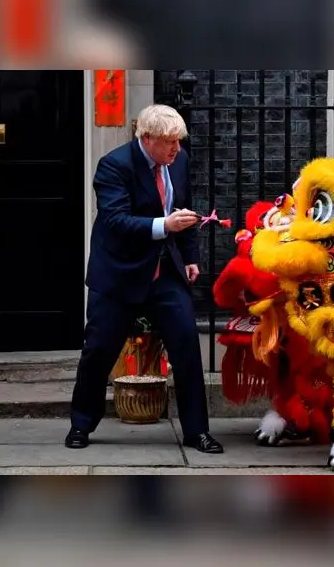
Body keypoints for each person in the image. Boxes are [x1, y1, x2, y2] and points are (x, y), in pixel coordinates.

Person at [66, 104, 222, 453]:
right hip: (119, 273)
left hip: (165, 270)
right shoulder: (114, 166)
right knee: (99, 351)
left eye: (179, 142)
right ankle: (81, 424)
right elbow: (116, 221)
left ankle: (197, 432)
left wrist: (191, 257)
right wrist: (164, 226)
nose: (176, 149)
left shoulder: (177, 161)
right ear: (147, 139)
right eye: (169, 142)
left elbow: (184, 209)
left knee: (186, 347)